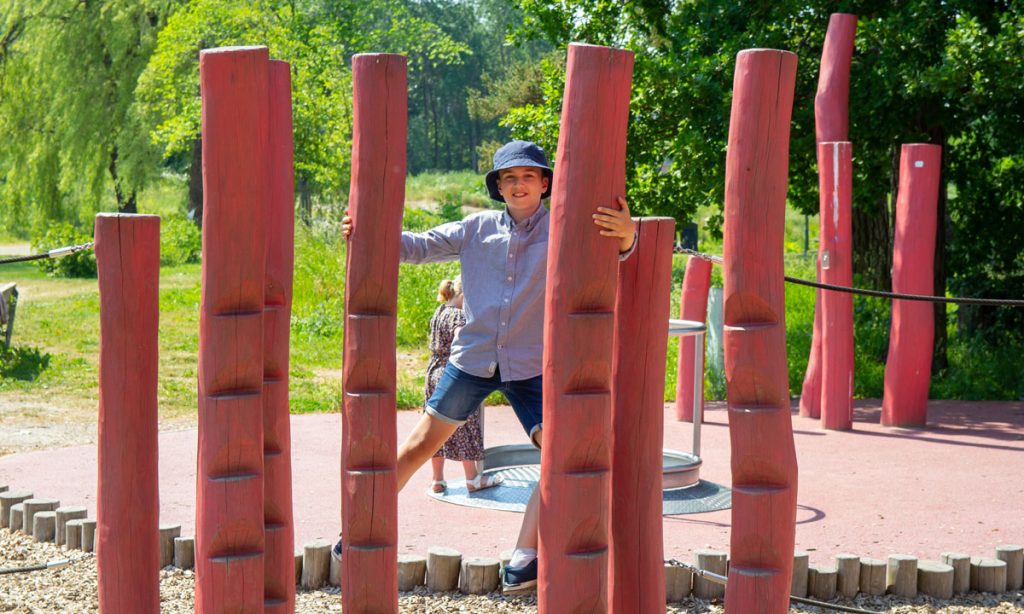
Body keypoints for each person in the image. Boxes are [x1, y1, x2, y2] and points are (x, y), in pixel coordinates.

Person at [337, 140, 636, 594]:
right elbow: (414, 247)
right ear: (498, 186)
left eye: (528, 177)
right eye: (509, 178)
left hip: (533, 366)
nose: (519, 185)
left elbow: (616, 252)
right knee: (419, 445)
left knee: (559, 455)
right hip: (473, 359)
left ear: (544, 183)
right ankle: (358, 528)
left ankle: (524, 557)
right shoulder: (475, 229)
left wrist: (629, 236)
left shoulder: (564, 230)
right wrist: (362, 232)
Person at [425, 276, 500, 494]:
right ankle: (473, 478)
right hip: (453, 372)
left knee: (434, 425)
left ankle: (437, 479)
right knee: (465, 422)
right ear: (463, 295)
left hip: (432, 371)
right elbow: (460, 336)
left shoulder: (439, 312)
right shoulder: (458, 316)